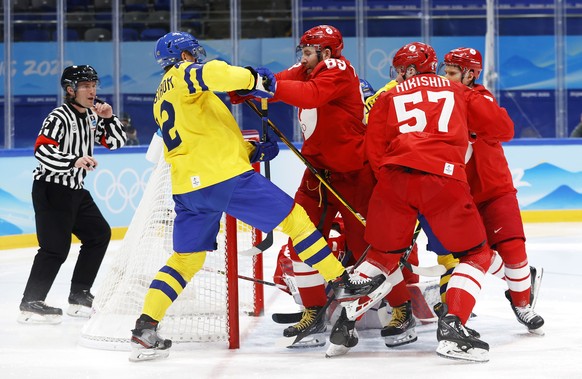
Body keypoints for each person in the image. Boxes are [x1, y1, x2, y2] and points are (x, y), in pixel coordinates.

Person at [129, 31, 391, 362]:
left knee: (185, 259)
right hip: (223, 178)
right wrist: (253, 78)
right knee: (297, 220)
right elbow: (214, 72)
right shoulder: (184, 74)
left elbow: (204, 138)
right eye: (193, 54)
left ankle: (145, 326)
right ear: (182, 57)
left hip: (187, 188)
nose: (198, 58)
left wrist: (251, 150)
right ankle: (341, 282)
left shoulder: (162, 97)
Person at [230, 26, 405, 353]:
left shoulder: (338, 69)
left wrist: (270, 88)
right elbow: (282, 78)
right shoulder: (310, 67)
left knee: (368, 245)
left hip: (353, 174)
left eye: (308, 52)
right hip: (317, 171)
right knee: (302, 235)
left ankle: (401, 307)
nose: (302, 58)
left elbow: (308, 95)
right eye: (303, 52)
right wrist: (249, 83)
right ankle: (314, 310)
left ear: (326, 53)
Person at [364, 42, 515, 362]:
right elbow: (503, 129)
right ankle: (453, 316)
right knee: (471, 252)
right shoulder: (455, 89)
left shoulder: (388, 95)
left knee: (388, 254)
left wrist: (391, 185)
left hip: (399, 185)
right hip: (444, 184)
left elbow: (374, 149)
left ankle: (368, 316)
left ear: (409, 69)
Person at [433, 47, 544, 334]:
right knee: (477, 255)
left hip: (496, 188)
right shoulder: (439, 101)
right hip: (460, 193)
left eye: (453, 73)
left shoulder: (480, 97)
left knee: (513, 248)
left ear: (471, 75)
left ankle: (522, 304)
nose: (446, 78)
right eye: (445, 72)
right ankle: (519, 281)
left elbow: (505, 130)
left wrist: (464, 98)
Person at [18, 65, 127, 324]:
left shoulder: (92, 116)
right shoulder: (58, 117)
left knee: (99, 234)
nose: (92, 91)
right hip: (51, 188)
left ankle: (79, 295)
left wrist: (110, 118)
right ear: (70, 90)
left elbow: (116, 143)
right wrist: (73, 160)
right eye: (86, 86)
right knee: (55, 249)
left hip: (75, 190)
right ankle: (31, 302)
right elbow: (42, 151)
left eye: (94, 85)